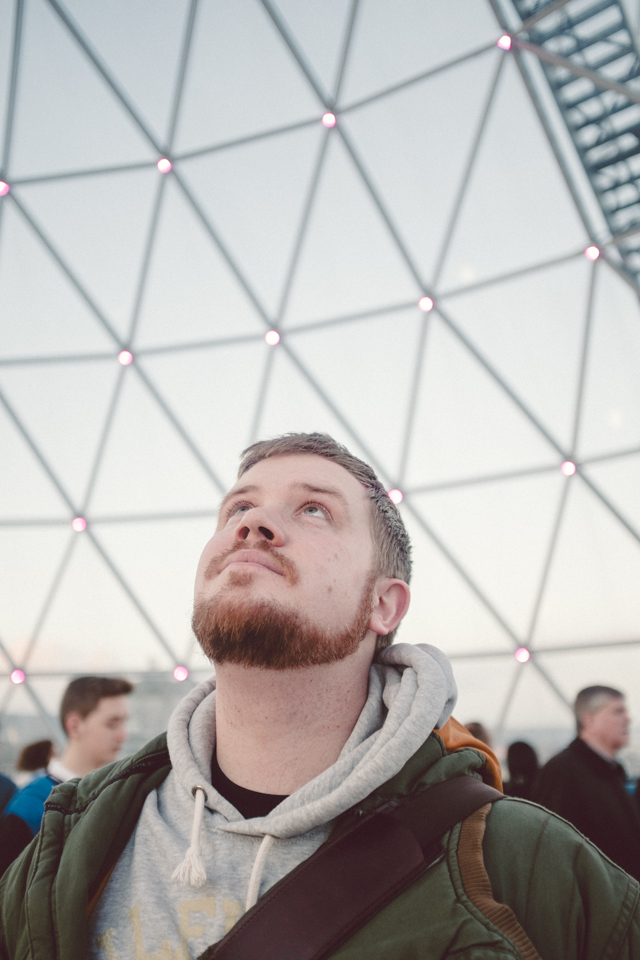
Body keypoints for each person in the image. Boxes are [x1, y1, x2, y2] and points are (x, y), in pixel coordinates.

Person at [1, 433, 639, 960]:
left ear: (383, 604)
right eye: (236, 510)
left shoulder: (522, 868)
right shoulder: (71, 839)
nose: (253, 524)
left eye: (314, 510)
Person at [0, 676, 132, 875]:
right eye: (112, 724)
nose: (123, 735)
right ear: (75, 726)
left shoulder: (119, 796)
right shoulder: (31, 806)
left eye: (123, 723)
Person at [534, 685, 640, 880]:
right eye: (618, 711)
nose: (627, 719)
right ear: (589, 720)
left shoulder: (611, 770)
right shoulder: (563, 771)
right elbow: (553, 851)